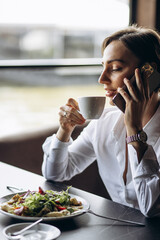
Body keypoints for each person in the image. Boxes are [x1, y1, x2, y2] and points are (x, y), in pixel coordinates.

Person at [42, 25, 160, 217]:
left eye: (114, 68)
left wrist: (134, 130)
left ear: (148, 72)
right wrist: (64, 130)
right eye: (102, 67)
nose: (102, 79)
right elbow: (56, 174)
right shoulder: (104, 122)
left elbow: (151, 209)